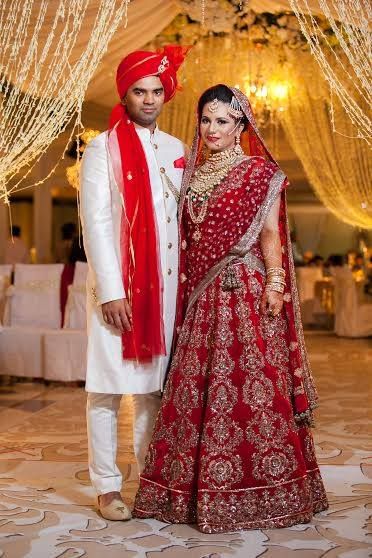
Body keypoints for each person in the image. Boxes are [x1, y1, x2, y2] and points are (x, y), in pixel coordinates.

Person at [134, 84, 328, 533]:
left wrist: (275, 284)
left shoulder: (258, 172)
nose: (212, 129)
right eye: (206, 120)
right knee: (196, 393)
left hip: (243, 291)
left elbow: (269, 236)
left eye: (223, 120)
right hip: (202, 302)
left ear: (241, 125)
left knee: (254, 389)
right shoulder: (192, 175)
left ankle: (269, 489)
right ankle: (185, 492)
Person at [80, 45, 189, 521]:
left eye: (156, 91)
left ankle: (150, 477)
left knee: (151, 389)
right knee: (106, 388)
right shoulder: (102, 148)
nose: (149, 99)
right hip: (119, 288)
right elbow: (96, 221)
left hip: (163, 290)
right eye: (139, 91)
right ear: (124, 96)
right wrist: (112, 290)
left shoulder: (178, 149)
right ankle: (106, 486)